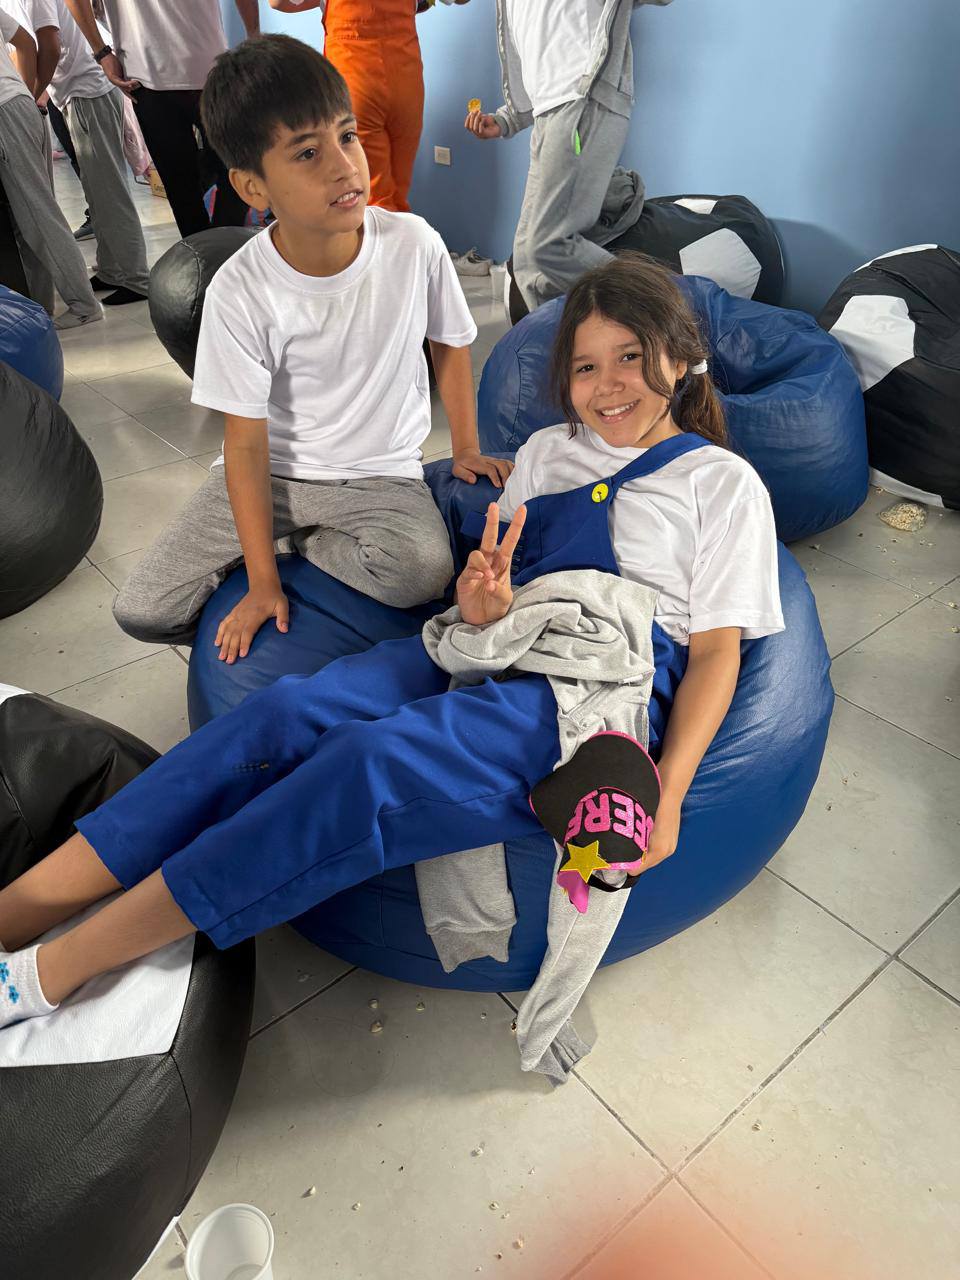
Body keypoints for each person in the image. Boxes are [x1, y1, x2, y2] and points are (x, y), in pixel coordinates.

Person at [0, 251, 783, 1032]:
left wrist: (668, 791)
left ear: (678, 358)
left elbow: (717, 654)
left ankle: (56, 970)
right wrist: (482, 601)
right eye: (586, 367)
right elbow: (500, 585)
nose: (607, 385)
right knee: (282, 714)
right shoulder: (547, 453)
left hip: (590, 681)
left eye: (631, 358)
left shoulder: (720, 483)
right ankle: (22, 905)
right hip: (501, 642)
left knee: (366, 763)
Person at [112, 35, 508, 659]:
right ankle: (278, 543)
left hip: (377, 475)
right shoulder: (240, 289)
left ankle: (303, 541)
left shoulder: (414, 243)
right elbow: (245, 444)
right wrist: (261, 584)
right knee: (141, 608)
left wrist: (464, 447)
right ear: (253, 187)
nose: (344, 166)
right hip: (270, 476)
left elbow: (450, 343)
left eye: (347, 136)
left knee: (421, 574)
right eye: (306, 152)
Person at [465, 0, 673, 313]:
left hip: (583, 99)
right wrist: (508, 118)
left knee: (548, 244)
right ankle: (554, 336)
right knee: (526, 258)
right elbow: (537, 52)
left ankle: (661, 311)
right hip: (546, 114)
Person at [62, 0, 260, 237]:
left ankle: (221, 247)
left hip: (210, 70)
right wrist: (102, 53)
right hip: (147, 78)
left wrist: (254, 36)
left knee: (240, 170)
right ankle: (207, 252)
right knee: (183, 192)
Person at [270, 0, 471, 213]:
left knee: (372, 198)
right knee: (399, 190)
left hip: (355, 81)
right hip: (406, 80)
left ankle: (379, 233)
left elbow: (278, 2)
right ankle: (400, 231)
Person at [9, 0, 149, 304]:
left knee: (109, 191)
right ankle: (113, 270)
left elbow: (48, 46)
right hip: (79, 90)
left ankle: (136, 278)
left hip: (87, 89)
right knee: (96, 191)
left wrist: (29, 96)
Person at [0, 3, 101, 326]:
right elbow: (25, 43)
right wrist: (27, 92)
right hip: (18, 102)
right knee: (28, 217)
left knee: (38, 215)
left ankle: (84, 305)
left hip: (5, 113)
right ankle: (40, 306)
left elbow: (33, 43)